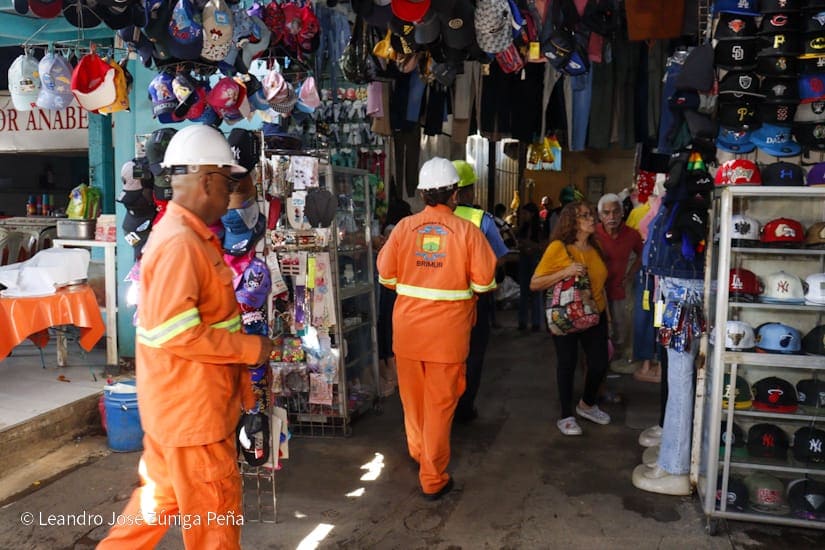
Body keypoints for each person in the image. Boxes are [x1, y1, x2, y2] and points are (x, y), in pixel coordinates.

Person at [99, 125, 273, 549]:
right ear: (209, 180)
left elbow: (208, 325)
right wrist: (253, 349)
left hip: (178, 413)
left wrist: (246, 398)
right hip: (194, 419)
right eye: (229, 183)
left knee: (152, 510)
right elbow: (181, 335)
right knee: (215, 527)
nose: (231, 194)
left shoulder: (189, 236)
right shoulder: (181, 243)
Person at [377, 157, 496, 500]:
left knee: (413, 403)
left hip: (408, 334)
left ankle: (420, 454)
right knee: (440, 407)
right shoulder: (467, 232)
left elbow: (386, 274)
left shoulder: (403, 228)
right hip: (448, 337)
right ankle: (432, 476)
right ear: (454, 194)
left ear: (421, 193)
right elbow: (485, 281)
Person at [529, 201, 611, 436]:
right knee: (567, 363)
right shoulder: (558, 248)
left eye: (591, 214)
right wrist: (565, 271)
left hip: (596, 313)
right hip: (567, 314)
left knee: (599, 363)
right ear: (572, 222)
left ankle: (586, 404)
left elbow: (602, 285)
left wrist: (609, 317)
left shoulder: (596, 248)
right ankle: (566, 415)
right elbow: (534, 283)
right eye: (585, 216)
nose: (591, 219)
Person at [451, 160, 509, 424]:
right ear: (467, 192)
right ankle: (465, 408)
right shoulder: (480, 219)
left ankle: (444, 409)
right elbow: (499, 259)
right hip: (474, 299)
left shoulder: (426, 220)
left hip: (435, 300)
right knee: (472, 355)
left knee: (444, 357)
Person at [594, 193, 643, 375]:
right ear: (600, 216)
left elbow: (642, 254)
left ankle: (617, 362)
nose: (611, 217)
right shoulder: (594, 233)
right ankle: (601, 365)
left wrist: (630, 274)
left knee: (621, 329)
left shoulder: (632, 235)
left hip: (621, 290)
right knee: (600, 331)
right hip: (598, 292)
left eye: (615, 212)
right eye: (606, 213)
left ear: (622, 213)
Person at [374, 199, 412, 396]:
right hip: (392, 283)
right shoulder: (396, 229)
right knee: (387, 324)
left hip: (391, 282)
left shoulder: (394, 228)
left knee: (387, 323)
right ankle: (389, 368)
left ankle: (389, 367)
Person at [517, 202, 543, 331]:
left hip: (535, 261)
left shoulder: (539, 228)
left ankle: (536, 323)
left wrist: (530, 245)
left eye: (525, 213)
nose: (523, 216)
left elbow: (542, 245)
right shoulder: (524, 227)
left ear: (532, 214)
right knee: (523, 292)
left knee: (535, 292)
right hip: (524, 260)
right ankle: (522, 322)